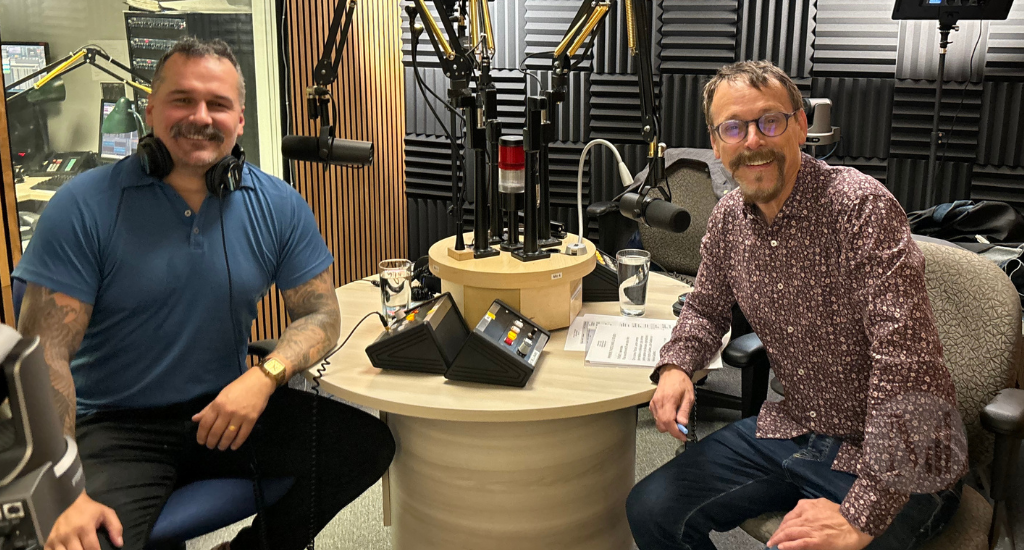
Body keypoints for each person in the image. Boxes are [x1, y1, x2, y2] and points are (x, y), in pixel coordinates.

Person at [15, 37, 395, 550]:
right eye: (182, 99)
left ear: (240, 119)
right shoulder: (83, 207)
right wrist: (63, 486)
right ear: (150, 110)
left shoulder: (277, 204)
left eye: (218, 104)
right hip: (114, 426)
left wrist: (265, 377)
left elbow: (321, 313)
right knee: (76, 541)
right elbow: (45, 354)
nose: (200, 116)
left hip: (224, 409)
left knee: (364, 445)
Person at [625, 60, 967, 550]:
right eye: (733, 128)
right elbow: (704, 307)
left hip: (901, 458)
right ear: (717, 144)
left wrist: (861, 516)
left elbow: (908, 367)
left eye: (770, 121)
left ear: (801, 125)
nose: (753, 141)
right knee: (652, 508)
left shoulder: (859, 209)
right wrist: (678, 365)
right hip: (798, 427)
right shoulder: (727, 220)